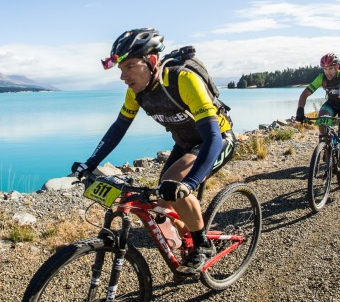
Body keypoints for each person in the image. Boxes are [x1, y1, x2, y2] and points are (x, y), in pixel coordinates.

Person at [72, 29, 234, 274]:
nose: (123, 76)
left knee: (175, 183)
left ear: (152, 61)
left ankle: (202, 245)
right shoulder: (137, 92)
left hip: (216, 140)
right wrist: (91, 162)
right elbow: (119, 128)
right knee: (160, 201)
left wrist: (189, 183)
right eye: (120, 69)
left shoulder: (183, 80)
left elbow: (211, 136)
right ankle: (187, 238)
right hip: (185, 144)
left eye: (129, 67)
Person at [295, 53, 340, 186]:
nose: (328, 72)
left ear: (337, 67)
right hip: (331, 104)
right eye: (325, 69)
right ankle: (326, 145)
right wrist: (300, 110)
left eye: (330, 69)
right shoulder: (322, 78)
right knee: (322, 119)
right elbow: (306, 93)